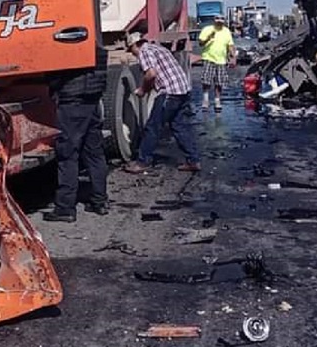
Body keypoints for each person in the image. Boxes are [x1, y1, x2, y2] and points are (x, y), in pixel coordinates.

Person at [42, 47, 109, 223]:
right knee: (94, 153)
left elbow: (55, 77)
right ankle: (100, 201)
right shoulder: (96, 48)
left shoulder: (65, 49)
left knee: (67, 154)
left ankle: (65, 208)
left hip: (72, 103)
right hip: (92, 101)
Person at [122, 32, 201, 174]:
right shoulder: (158, 48)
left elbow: (151, 74)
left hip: (169, 93)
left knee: (152, 127)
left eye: (131, 50)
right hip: (182, 90)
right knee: (179, 126)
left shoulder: (144, 51)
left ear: (136, 45)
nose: (132, 54)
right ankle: (193, 160)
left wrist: (142, 90)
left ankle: (143, 162)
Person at [196, 15, 236, 112]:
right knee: (206, 80)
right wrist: (209, 37)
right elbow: (200, 43)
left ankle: (217, 100)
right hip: (209, 58)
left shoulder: (226, 31)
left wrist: (232, 56)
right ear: (214, 20)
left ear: (224, 21)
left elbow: (230, 45)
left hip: (221, 60)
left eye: (222, 19)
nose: (219, 21)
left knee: (219, 82)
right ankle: (205, 100)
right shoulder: (207, 29)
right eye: (217, 19)